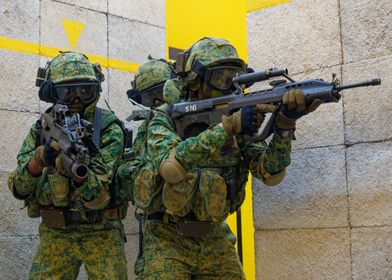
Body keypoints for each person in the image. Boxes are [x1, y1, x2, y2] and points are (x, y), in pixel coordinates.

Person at [132, 37, 321, 279]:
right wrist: (227, 127)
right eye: (221, 76)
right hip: (166, 237)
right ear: (196, 81)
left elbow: (270, 173)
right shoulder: (165, 117)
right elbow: (171, 166)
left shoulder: (238, 120)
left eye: (234, 75)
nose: (229, 83)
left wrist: (285, 125)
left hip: (215, 236)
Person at [7, 51, 128, 279]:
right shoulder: (41, 129)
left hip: (101, 232)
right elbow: (18, 188)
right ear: (53, 92)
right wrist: (38, 160)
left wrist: (77, 174)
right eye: (67, 91)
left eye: (84, 91)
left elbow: (97, 192)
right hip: (56, 233)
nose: (76, 99)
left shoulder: (109, 128)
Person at [116, 57, 177, 278]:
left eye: (162, 92)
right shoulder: (147, 128)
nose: (157, 101)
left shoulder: (195, 118)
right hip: (162, 226)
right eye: (149, 97)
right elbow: (129, 172)